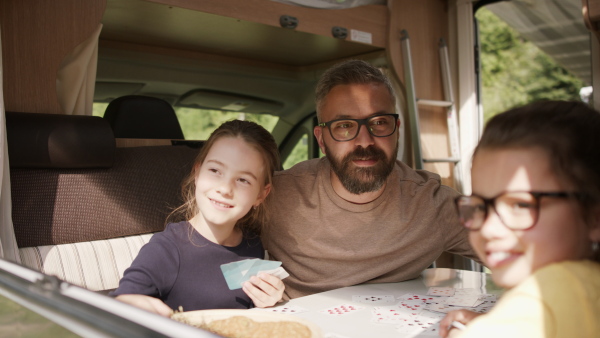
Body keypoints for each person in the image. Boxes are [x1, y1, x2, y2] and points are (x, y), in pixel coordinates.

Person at [261, 59, 478, 299]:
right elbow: (216, 244)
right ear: (321, 139)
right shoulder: (275, 197)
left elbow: (522, 252)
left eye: (379, 122)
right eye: (344, 126)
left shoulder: (434, 205)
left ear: (397, 129)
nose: (364, 141)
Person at [439, 100, 600, 337]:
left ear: (595, 217)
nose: (488, 229)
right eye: (480, 206)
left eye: (521, 204)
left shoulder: (543, 293)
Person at [111, 120, 284, 316]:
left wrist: (267, 300)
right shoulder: (167, 249)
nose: (225, 189)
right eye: (215, 171)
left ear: (261, 194)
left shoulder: (253, 245)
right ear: (197, 173)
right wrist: (130, 302)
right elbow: (119, 304)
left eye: (243, 180)